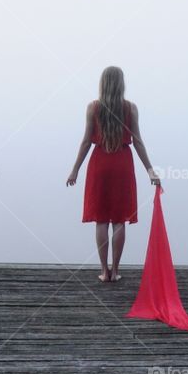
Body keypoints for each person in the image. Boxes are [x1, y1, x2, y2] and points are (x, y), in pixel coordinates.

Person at [66, 66, 160, 282]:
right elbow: (137, 141)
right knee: (119, 219)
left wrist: (75, 169)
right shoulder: (131, 108)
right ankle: (115, 271)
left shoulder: (93, 108)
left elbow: (86, 141)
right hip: (122, 165)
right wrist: (150, 170)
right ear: (121, 84)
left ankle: (103, 271)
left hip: (99, 165)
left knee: (101, 220)